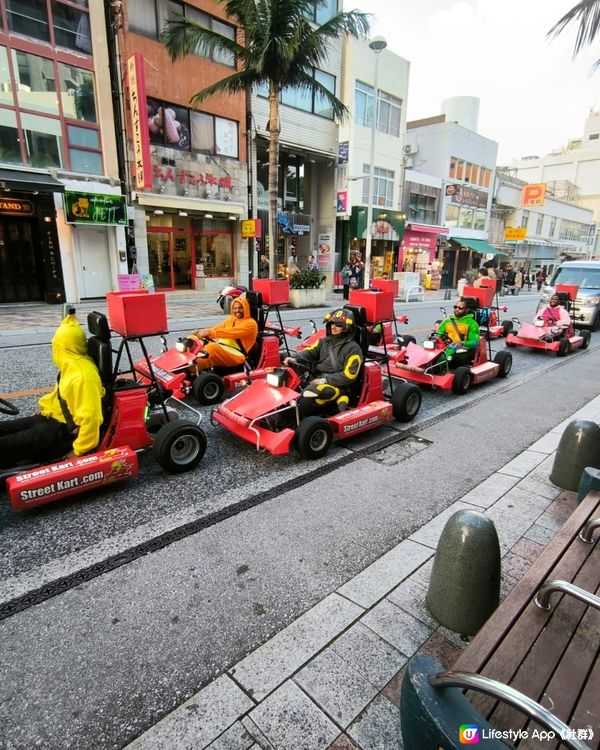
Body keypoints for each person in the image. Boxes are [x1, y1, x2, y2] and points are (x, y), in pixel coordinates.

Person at [0, 312, 104, 469]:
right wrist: (45, 407)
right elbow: (61, 394)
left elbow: (91, 419)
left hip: (60, 428)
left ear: (62, 346)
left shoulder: (83, 377)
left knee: (5, 446)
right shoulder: (70, 365)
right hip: (49, 417)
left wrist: (78, 451)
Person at [283, 308, 363, 415]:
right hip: (314, 377)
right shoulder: (324, 341)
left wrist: (324, 380)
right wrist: (295, 358)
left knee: (305, 397)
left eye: (338, 325)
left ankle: (291, 417)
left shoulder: (353, 349)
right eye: (332, 323)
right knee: (283, 379)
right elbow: (310, 351)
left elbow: (349, 376)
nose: (333, 327)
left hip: (335, 384)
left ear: (346, 328)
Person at [192, 296, 258, 371]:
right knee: (194, 341)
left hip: (236, 354)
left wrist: (210, 332)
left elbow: (232, 332)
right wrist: (201, 332)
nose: (237, 310)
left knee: (212, 348)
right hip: (223, 347)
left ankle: (192, 370)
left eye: (240, 308)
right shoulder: (231, 320)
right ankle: (183, 364)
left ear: (246, 308)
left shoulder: (251, 324)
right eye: (235, 308)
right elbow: (216, 328)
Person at [435, 299, 480, 368]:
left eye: (460, 308)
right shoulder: (447, 320)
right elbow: (439, 333)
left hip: (462, 348)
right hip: (445, 344)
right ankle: (420, 365)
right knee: (427, 346)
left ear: (467, 309)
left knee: (445, 354)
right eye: (455, 307)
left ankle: (436, 369)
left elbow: (475, 343)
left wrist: (462, 343)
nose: (457, 309)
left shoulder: (472, 323)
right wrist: (434, 338)